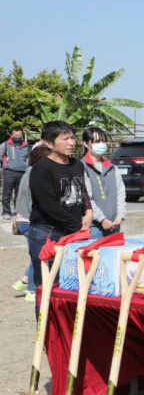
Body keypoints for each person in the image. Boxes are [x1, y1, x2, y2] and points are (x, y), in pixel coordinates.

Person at [27, 121, 92, 295]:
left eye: (72, 138)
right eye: (65, 139)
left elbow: (82, 190)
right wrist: (79, 228)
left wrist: (89, 210)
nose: (72, 143)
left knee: (71, 287)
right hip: (47, 234)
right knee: (49, 289)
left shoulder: (76, 164)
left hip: (72, 231)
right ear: (49, 143)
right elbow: (49, 206)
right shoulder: (42, 168)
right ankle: (46, 323)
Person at [12, 143, 50, 300]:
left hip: (23, 219)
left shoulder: (27, 173)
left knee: (37, 254)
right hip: (29, 221)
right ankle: (33, 290)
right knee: (39, 256)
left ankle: (25, 280)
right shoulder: (36, 176)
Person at [81, 126, 126, 239]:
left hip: (114, 224)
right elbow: (86, 197)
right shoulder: (82, 167)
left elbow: (121, 193)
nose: (101, 144)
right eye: (97, 142)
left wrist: (120, 215)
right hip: (94, 227)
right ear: (86, 144)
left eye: (103, 141)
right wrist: (102, 219)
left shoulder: (112, 168)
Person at [1, 126, 29, 220]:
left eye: (20, 135)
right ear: (12, 135)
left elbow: (27, 159)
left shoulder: (25, 146)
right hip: (9, 172)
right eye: (16, 135)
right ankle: (6, 212)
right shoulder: (5, 145)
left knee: (20, 194)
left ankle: (18, 211)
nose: (18, 137)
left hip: (22, 173)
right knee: (7, 193)